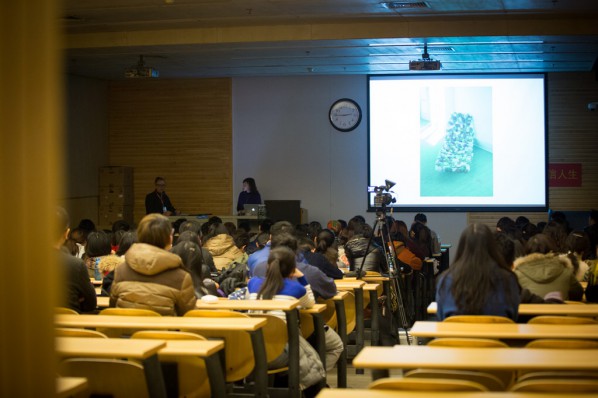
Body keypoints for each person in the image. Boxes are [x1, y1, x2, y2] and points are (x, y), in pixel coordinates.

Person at [110, 213, 196, 315]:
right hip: (163, 330)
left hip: (125, 330)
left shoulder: (121, 270)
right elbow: (188, 314)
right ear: (169, 239)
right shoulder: (182, 277)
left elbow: (113, 306)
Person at [436, 223, 520, 321]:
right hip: (497, 336)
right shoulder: (508, 279)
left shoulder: (445, 280)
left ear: (462, 248)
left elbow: (441, 318)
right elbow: (513, 317)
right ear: (492, 247)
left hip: (455, 336)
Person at [513, 233, 583, 301]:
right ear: (552, 249)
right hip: (558, 311)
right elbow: (578, 293)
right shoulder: (565, 270)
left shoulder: (518, 273)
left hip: (528, 312)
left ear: (527, 251)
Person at [55, 207, 97, 313]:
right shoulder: (76, 265)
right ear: (66, 233)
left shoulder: (25, 263)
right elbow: (91, 303)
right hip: (70, 326)